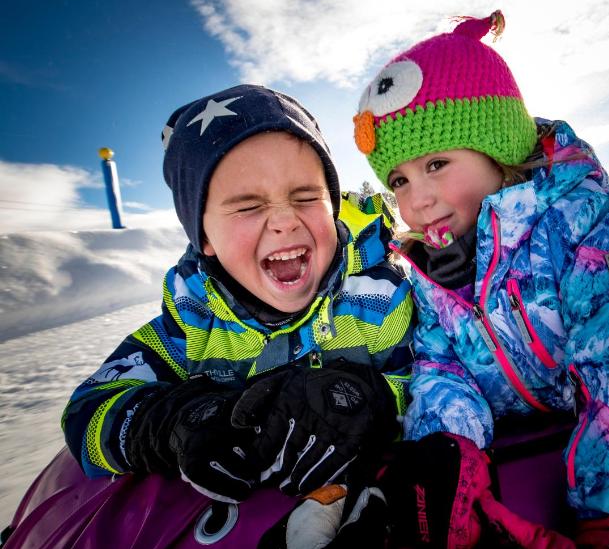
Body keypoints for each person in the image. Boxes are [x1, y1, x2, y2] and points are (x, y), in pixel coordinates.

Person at [349, 11, 609, 549]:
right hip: (517, 414)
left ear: (500, 148)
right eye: (399, 179)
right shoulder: (426, 268)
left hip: (603, 405)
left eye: (436, 164)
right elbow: (440, 363)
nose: (417, 200)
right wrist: (448, 451)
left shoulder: (576, 220)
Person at [61, 84, 415, 505]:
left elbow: (428, 387)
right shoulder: (193, 321)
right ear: (204, 237)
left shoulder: (377, 299)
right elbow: (87, 412)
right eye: (247, 206)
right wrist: (174, 422)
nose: (285, 221)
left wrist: (362, 400)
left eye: (305, 196)